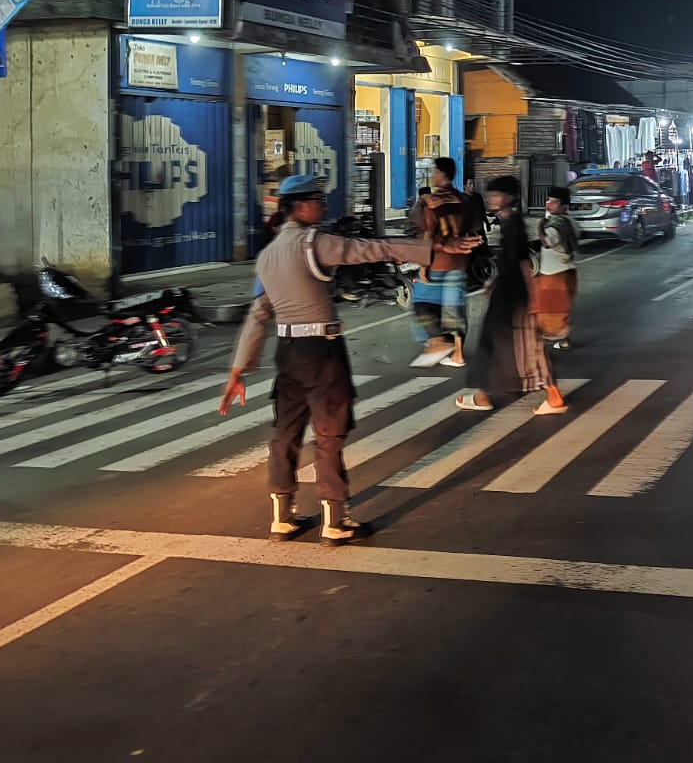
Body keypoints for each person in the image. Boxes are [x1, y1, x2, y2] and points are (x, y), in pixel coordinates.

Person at [218, 174, 477, 543]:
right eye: (318, 201)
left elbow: (259, 313)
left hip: (289, 354)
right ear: (300, 207)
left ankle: (282, 516)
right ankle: (336, 521)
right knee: (329, 434)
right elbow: (376, 249)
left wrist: (238, 370)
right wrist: (438, 249)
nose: (324, 207)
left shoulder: (268, 255)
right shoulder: (315, 243)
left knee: (285, 433)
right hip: (322, 352)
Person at [458, 175, 568, 414]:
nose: (491, 198)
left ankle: (553, 395)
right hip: (508, 293)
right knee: (501, 345)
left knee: (524, 346)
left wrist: (532, 295)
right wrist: (495, 281)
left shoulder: (513, 222)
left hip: (514, 298)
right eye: (491, 194)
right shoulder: (508, 220)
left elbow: (520, 261)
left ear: (509, 197)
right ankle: (484, 394)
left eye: (497, 194)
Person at [408, 158, 476, 369]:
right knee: (454, 309)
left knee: (422, 304)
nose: (433, 175)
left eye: (434, 171)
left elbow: (428, 234)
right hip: (460, 261)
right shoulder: (465, 200)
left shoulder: (431, 202)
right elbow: (474, 228)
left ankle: (437, 342)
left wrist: (422, 264)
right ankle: (458, 354)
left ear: (440, 173)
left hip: (437, 261)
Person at [534, 186, 578, 350]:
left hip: (553, 273)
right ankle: (564, 340)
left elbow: (546, 241)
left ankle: (548, 340)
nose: (549, 205)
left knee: (550, 310)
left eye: (554, 202)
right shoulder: (570, 222)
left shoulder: (555, 226)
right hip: (568, 270)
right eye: (549, 201)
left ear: (564, 206)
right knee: (563, 308)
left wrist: (540, 226)